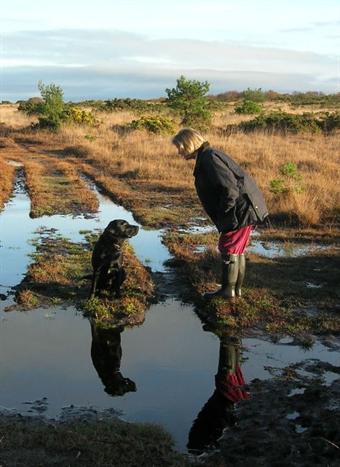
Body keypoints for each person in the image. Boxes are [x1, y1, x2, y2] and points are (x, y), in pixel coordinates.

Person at [172, 128, 268, 299]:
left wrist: (224, 212)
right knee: (237, 249)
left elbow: (230, 189)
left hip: (240, 210)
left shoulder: (209, 159)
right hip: (243, 208)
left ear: (188, 144)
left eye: (179, 147)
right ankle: (235, 290)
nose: (178, 152)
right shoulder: (208, 156)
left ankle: (228, 291)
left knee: (229, 247)